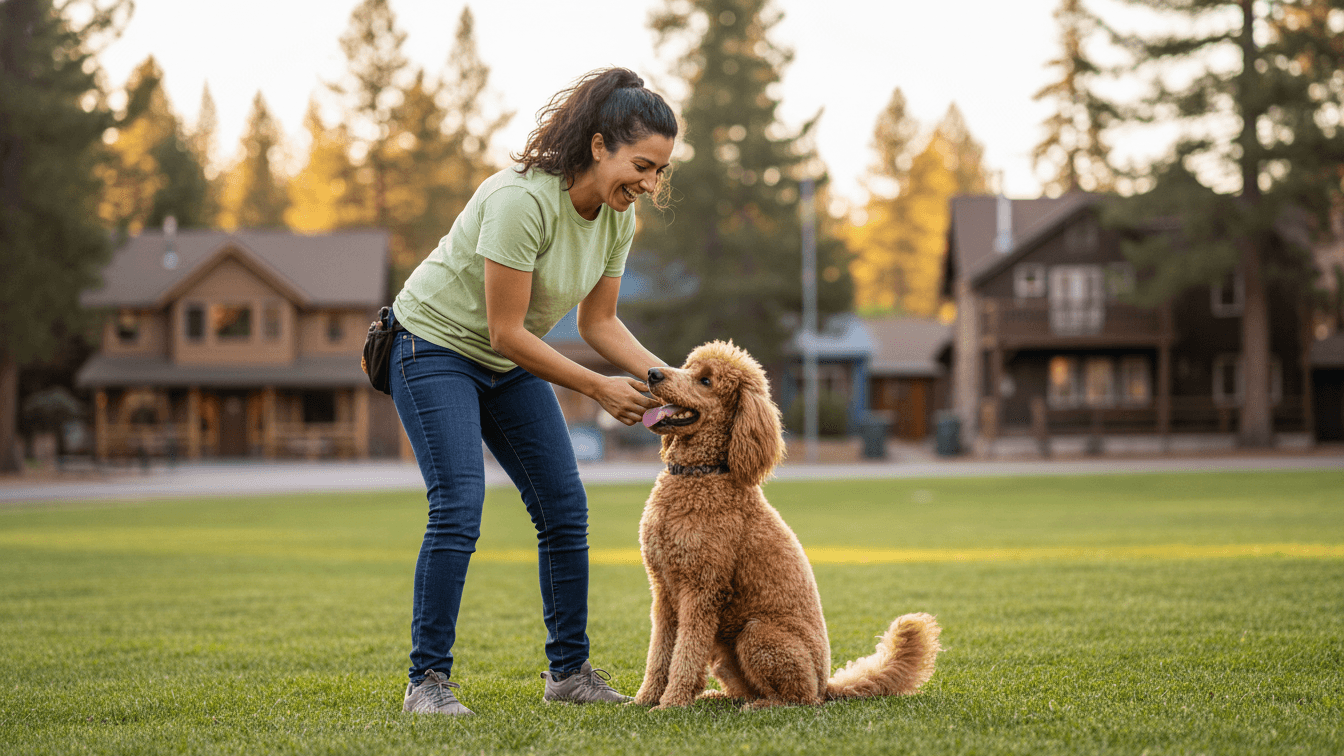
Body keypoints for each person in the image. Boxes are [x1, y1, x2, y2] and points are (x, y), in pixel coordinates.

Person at [389, 67, 676, 716]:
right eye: (643, 165)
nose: (651, 184)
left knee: (563, 507)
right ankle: (426, 683)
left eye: (660, 171)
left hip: (502, 359)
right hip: (433, 346)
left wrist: (676, 385)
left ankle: (568, 674)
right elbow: (506, 330)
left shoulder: (614, 220)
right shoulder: (522, 201)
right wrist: (600, 388)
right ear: (599, 145)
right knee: (459, 504)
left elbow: (600, 324)